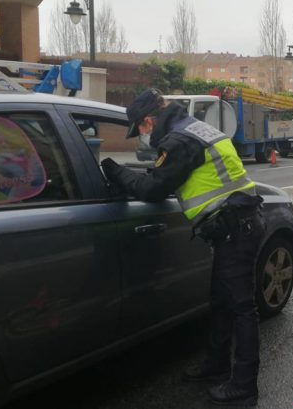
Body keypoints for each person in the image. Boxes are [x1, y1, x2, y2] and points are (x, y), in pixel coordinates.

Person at [100, 89, 265, 407]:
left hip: (235, 227)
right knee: (221, 302)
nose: (142, 136)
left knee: (242, 309)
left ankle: (244, 385)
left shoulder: (178, 141)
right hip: (237, 223)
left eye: (141, 129)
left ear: (149, 120)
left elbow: (152, 189)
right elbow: (168, 174)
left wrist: (115, 171)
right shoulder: (193, 128)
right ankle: (216, 366)